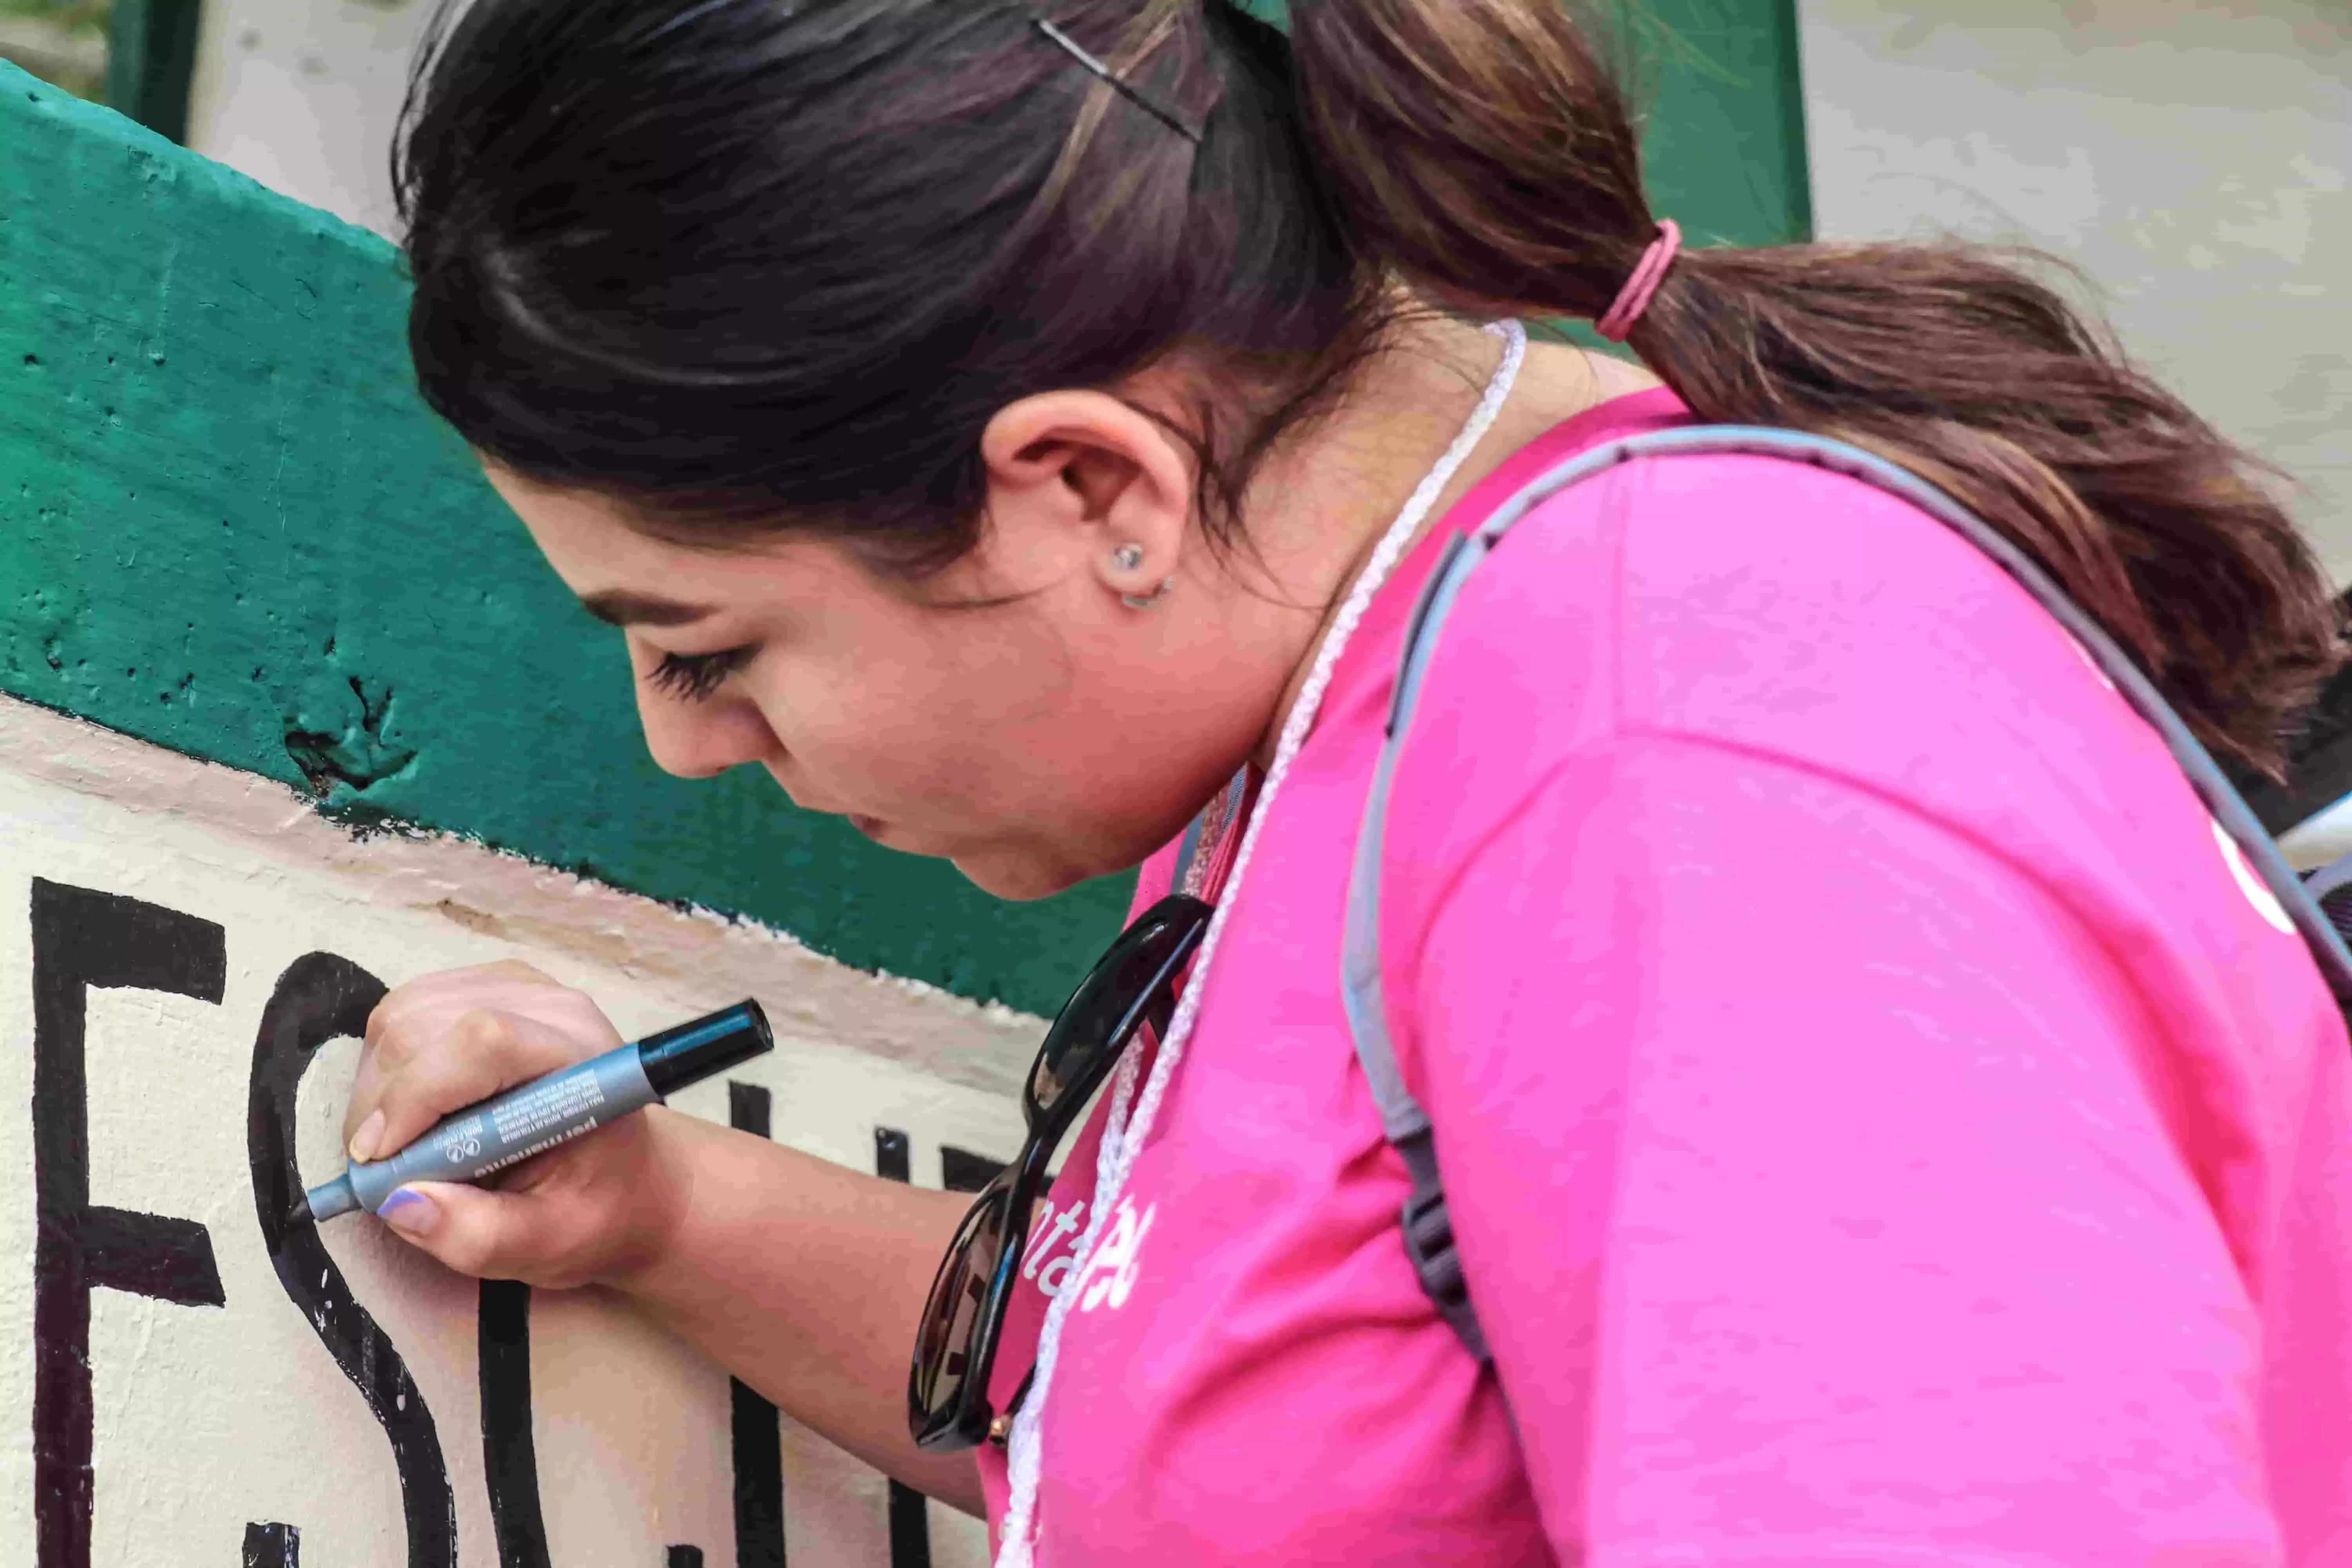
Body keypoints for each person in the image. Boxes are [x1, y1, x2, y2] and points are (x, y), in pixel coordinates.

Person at [352, 0, 2352, 1562]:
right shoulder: (1341, 715)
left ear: (1089, 488)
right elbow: (1253, 1433)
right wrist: (657, 1210)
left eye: (709, 643)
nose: (681, 742)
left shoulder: (1668, 749)